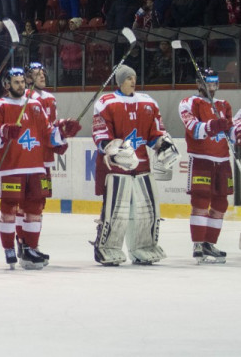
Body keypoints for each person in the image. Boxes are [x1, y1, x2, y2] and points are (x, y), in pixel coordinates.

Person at [0, 68, 77, 269]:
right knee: (9, 208)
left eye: (22, 82)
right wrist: (4, 132)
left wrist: (62, 133)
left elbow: (47, 134)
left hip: (36, 166)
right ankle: (9, 248)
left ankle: (30, 248)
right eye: (16, 82)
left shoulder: (35, 105)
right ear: (7, 84)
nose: (21, 85)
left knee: (34, 208)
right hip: (12, 167)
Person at [91, 65, 178, 266]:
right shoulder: (106, 102)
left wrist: (162, 145)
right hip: (117, 167)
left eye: (134, 77)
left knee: (147, 211)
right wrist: (110, 147)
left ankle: (144, 246)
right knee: (117, 211)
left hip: (142, 166)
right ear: (120, 81)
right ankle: (107, 247)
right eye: (128, 78)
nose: (133, 81)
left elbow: (155, 132)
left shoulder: (148, 102)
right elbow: (101, 134)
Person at [23, 62, 80, 253]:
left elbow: (51, 125)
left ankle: (32, 243)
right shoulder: (23, 97)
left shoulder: (50, 98)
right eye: (38, 74)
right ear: (28, 77)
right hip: (28, 156)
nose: (42, 77)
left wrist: (62, 131)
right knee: (22, 202)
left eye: (44, 74)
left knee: (39, 202)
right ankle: (22, 241)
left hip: (44, 158)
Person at [179, 68, 235, 263]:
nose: (212, 86)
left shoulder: (224, 105)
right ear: (199, 84)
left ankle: (209, 244)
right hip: (201, 158)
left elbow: (231, 134)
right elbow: (193, 129)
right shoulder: (189, 103)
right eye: (208, 82)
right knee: (201, 201)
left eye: (214, 82)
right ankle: (197, 244)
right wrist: (214, 125)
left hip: (222, 161)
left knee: (221, 203)